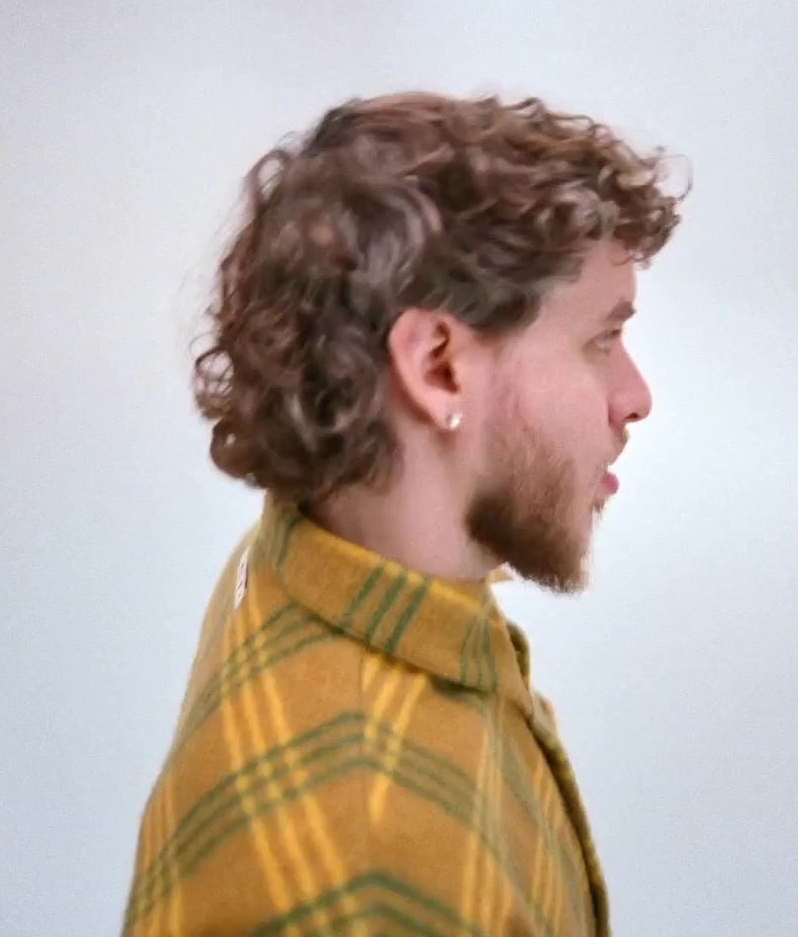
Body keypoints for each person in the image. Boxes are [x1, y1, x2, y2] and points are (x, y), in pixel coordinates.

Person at [122, 92, 684, 935]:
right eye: (600, 339)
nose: (635, 397)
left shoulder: (300, 554)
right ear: (438, 367)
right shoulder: (373, 881)